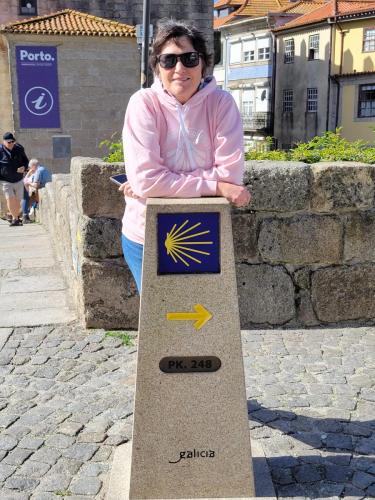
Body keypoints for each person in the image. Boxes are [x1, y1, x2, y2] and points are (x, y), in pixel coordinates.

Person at [120, 20, 251, 292]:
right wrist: (215, 186)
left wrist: (159, 184)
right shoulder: (143, 103)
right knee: (161, 326)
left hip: (205, 231)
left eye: (189, 58)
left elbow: (231, 175)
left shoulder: (221, 104)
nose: (180, 69)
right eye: (169, 60)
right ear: (157, 67)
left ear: (203, 63)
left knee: (201, 325)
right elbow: (147, 181)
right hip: (146, 233)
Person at [0, 132, 29, 226]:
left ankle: (12, 215)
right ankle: (15, 219)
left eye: (13, 141)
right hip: (5, 180)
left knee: (17, 200)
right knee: (10, 199)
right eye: (9, 142)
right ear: (3, 142)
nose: (11, 143)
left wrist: (24, 168)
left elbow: (26, 161)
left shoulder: (19, 148)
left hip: (18, 179)